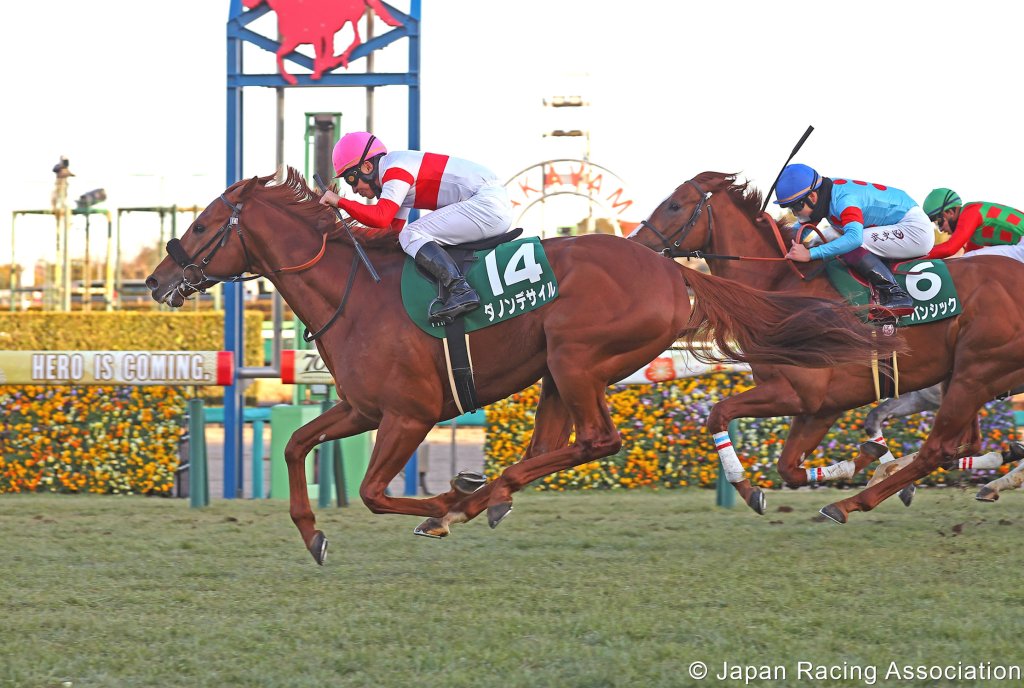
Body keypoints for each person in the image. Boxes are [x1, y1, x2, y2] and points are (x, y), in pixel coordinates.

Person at [319, 131, 514, 324]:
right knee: (407, 236)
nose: (353, 189)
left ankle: (461, 290)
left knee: (412, 233)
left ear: (368, 166)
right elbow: (391, 232)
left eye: (351, 179)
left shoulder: (396, 169)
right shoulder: (395, 175)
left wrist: (340, 201)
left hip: (487, 205)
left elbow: (380, 218)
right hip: (489, 204)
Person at [778, 164, 934, 317]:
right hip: (900, 224)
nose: (794, 213)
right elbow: (800, 230)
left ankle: (896, 294)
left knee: (850, 243)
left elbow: (853, 238)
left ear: (812, 196)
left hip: (915, 230)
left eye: (796, 207)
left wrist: (810, 254)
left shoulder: (844, 200)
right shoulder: (824, 196)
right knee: (833, 236)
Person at [922, 188, 1024, 260]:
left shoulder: (971, 212)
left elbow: (950, 249)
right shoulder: (975, 231)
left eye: (938, 222)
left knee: (970, 258)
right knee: (969, 260)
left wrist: (915, 257)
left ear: (950, 213)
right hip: (1020, 247)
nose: (940, 229)